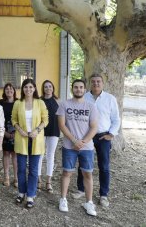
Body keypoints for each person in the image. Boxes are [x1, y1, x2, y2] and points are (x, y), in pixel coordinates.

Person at [73, 73, 120, 207]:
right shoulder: (84, 97)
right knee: (83, 163)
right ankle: (81, 189)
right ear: (89, 83)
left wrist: (111, 134)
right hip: (86, 135)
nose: (96, 84)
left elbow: (116, 119)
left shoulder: (110, 99)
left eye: (98, 81)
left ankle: (103, 195)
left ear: (102, 83)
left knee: (104, 166)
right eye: (93, 81)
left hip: (103, 136)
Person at [57, 79, 98, 216]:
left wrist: (83, 142)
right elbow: (62, 125)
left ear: (85, 89)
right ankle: (63, 199)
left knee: (87, 174)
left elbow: (94, 127)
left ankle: (89, 202)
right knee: (67, 173)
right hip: (69, 146)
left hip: (87, 148)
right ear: (72, 89)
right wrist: (75, 141)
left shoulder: (91, 106)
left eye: (81, 87)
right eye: (76, 87)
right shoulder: (64, 104)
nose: (78, 89)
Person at [12, 78, 48, 209]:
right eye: (26, 87)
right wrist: (20, 129)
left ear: (34, 89)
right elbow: (13, 119)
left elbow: (45, 120)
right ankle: (21, 192)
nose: (28, 89)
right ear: (22, 89)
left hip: (36, 139)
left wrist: (37, 130)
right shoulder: (18, 103)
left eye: (31, 87)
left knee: (33, 170)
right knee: (21, 169)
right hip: (21, 139)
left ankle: (31, 195)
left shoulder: (40, 103)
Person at [37, 80, 60, 193]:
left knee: (50, 155)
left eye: (50, 86)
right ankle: (39, 179)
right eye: (45, 87)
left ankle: (48, 182)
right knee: (40, 154)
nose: (48, 88)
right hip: (41, 131)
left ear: (53, 88)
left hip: (54, 131)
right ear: (43, 88)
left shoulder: (57, 101)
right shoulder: (39, 101)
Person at [0, 82, 18, 188]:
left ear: (14, 90)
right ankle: (6, 177)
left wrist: (16, 132)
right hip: (3, 131)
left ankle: (16, 178)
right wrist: (4, 132)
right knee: (5, 154)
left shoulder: (19, 102)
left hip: (17, 132)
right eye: (7, 89)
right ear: (4, 91)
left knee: (15, 155)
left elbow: (22, 119)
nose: (9, 91)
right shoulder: (0, 103)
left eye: (11, 89)